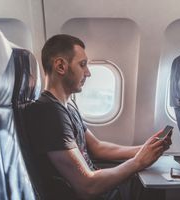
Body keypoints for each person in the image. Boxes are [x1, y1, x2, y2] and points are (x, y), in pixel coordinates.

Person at [24, 34, 172, 200]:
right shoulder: (48, 113)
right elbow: (87, 186)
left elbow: (97, 147)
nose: (88, 73)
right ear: (60, 66)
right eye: (82, 65)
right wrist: (138, 162)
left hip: (97, 186)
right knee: (148, 184)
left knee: (148, 180)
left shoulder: (68, 106)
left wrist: (145, 149)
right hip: (87, 193)